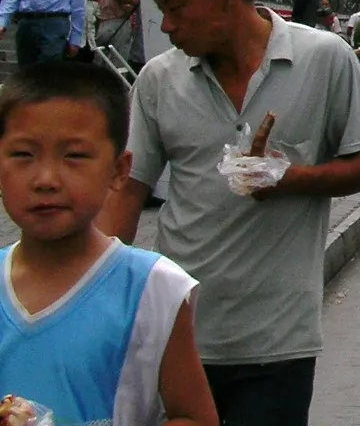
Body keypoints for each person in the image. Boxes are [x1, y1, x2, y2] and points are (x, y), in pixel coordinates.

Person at [97, 0, 360, 425]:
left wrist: (287, 177)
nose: (165, 25)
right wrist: (92, 293)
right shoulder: (159, 80)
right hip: (177, 332)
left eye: (177, 7)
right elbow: (129, 188)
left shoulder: (324, 59)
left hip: (277, 342)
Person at [0, 62, 218, 426]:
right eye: (23, 155)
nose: (46, 179)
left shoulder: (154, 288)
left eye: (74, 156)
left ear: (119, 170)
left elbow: (194, 417)